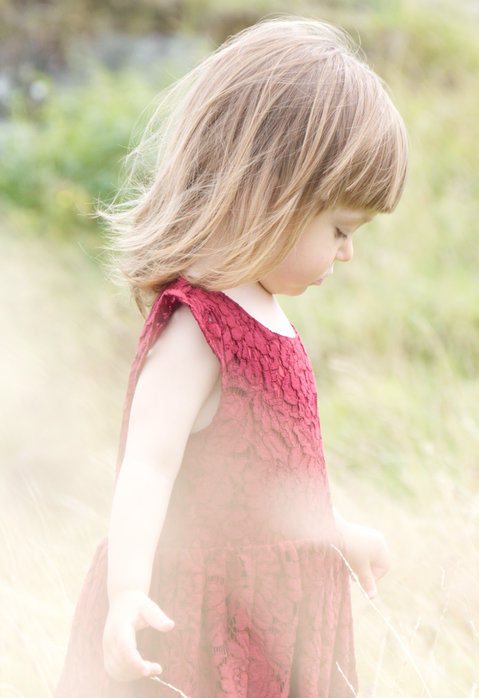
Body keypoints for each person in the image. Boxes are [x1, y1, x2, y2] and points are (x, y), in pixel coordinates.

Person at [55, 16, 407, 697]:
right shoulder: (198, 329)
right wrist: (129, 589)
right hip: (198, 623)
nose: (347, 252)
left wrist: (334, 532)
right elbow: (148, 467)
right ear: (272, 195)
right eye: (338, 228)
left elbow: (268, 481)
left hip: (274, 615)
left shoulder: (269, 316)